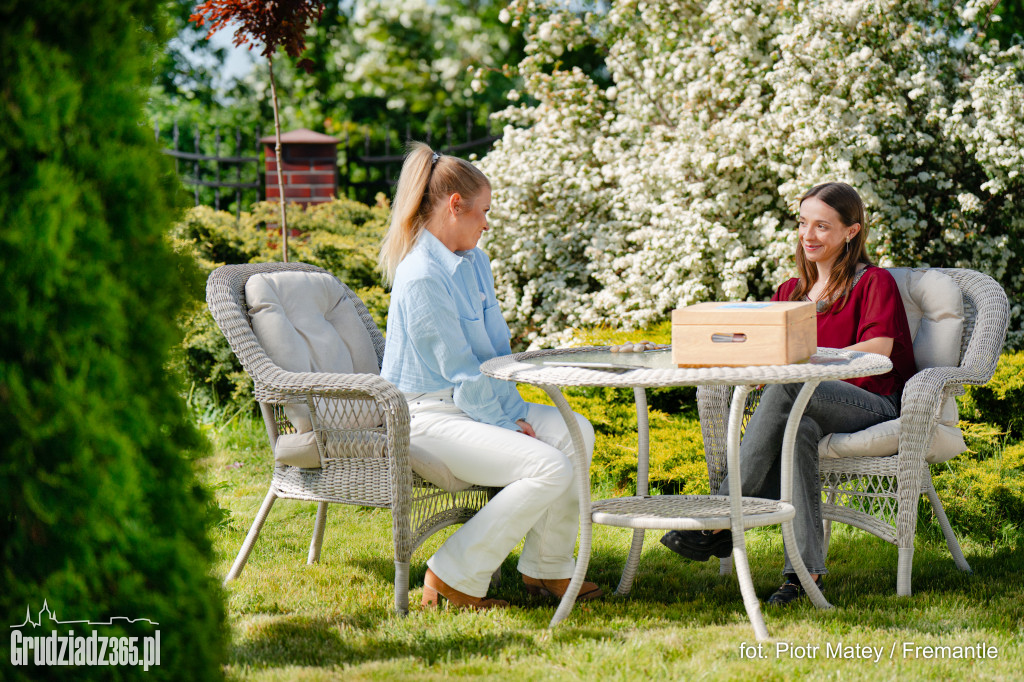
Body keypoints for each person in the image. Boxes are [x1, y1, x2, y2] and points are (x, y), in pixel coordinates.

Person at [660, 182, 916, 605]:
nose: (808, 235)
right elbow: (764, 353)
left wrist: (801, 361)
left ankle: (719, 514)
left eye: (822, 226)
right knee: (798, 428)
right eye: (803, 223)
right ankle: (803, 574)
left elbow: (877, 352)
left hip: (873, 402)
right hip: (807, 403)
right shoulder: (789, 293)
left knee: (790, 384)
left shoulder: (874, 283)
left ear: (851, 232)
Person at [379, 142, 602, 609]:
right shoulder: (421, 277)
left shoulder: (475, 263)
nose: (486, 223)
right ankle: (452, 575)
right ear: (454, 206)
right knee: (547, 465)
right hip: (427, 417)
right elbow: (461, 371)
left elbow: (495, 352)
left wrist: (512, 410)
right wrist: (504, 423)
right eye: (482, 212)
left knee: (576, 433)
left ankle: (547, 569)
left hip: (471, 404)